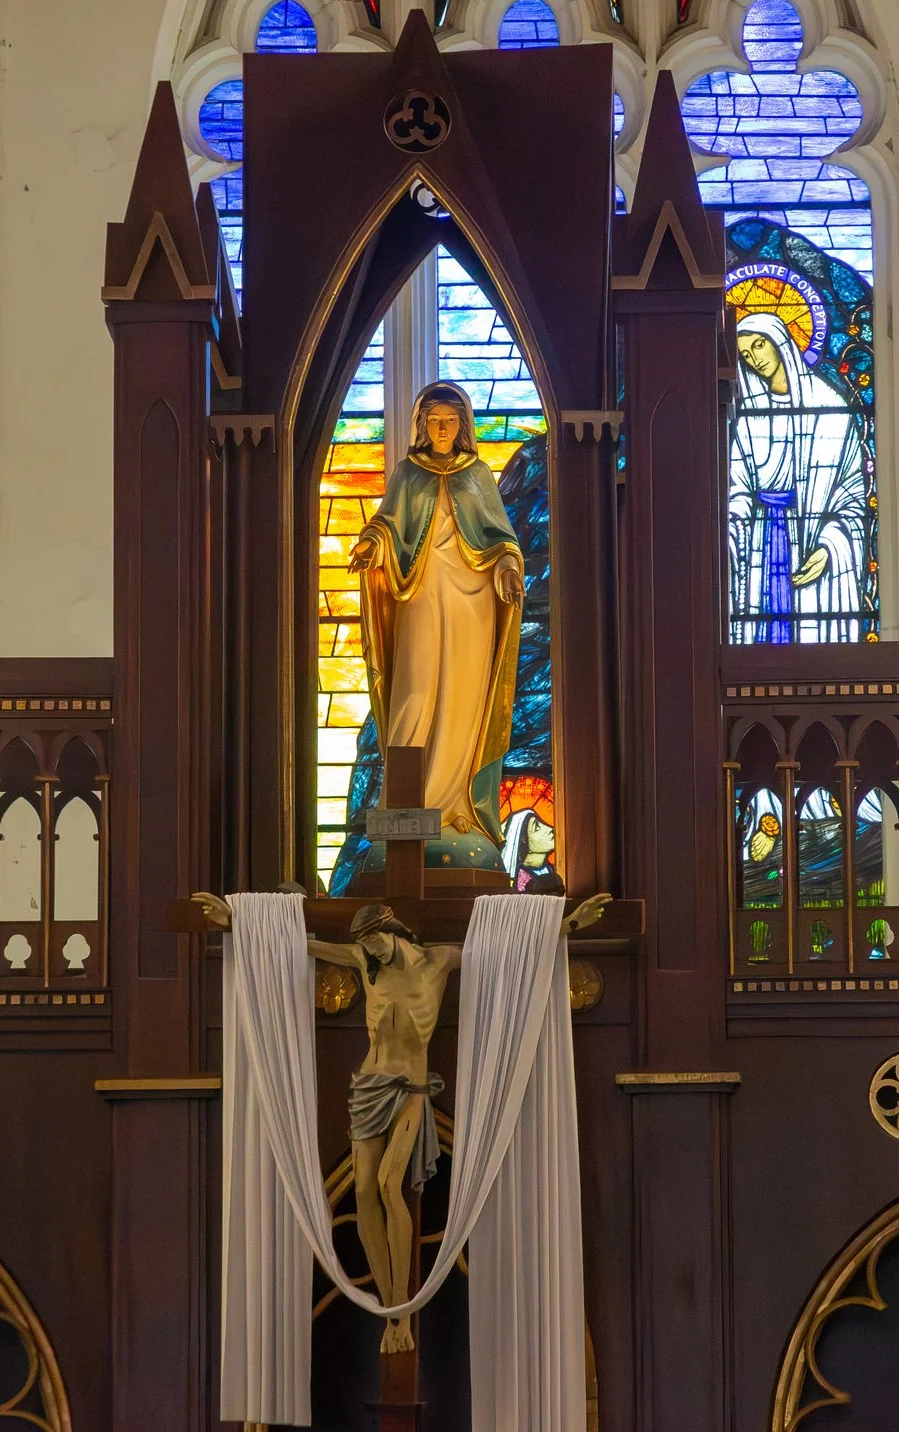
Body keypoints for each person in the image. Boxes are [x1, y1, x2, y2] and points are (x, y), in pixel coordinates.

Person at [190, 889, 611, 1351]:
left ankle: (401, 1309)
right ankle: (392, 1310)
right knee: (365, 1188)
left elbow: (505, 951)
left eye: (375, 941)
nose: (370, 951)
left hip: (411, 1091)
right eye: (365, 945)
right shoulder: (363, 962)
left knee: (392, 1185)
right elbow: (298, 944)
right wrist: (234, 922)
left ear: (393, 930)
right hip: (368, 1086)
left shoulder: (437, 961)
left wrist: (568, 923)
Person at [347, 382, 525, 862]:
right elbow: (387, 522)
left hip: (473, 599)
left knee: (464, 696)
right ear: (422, 425)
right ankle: (406, 802)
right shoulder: (408, 472)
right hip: (420, 589)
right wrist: (372, 544)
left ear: (462, 426)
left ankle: (457, 804)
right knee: (415, 689)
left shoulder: (477, 474)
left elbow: (500, 535)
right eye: (434, 421)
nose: (442, 429)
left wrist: (508, 566)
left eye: (450, 421)